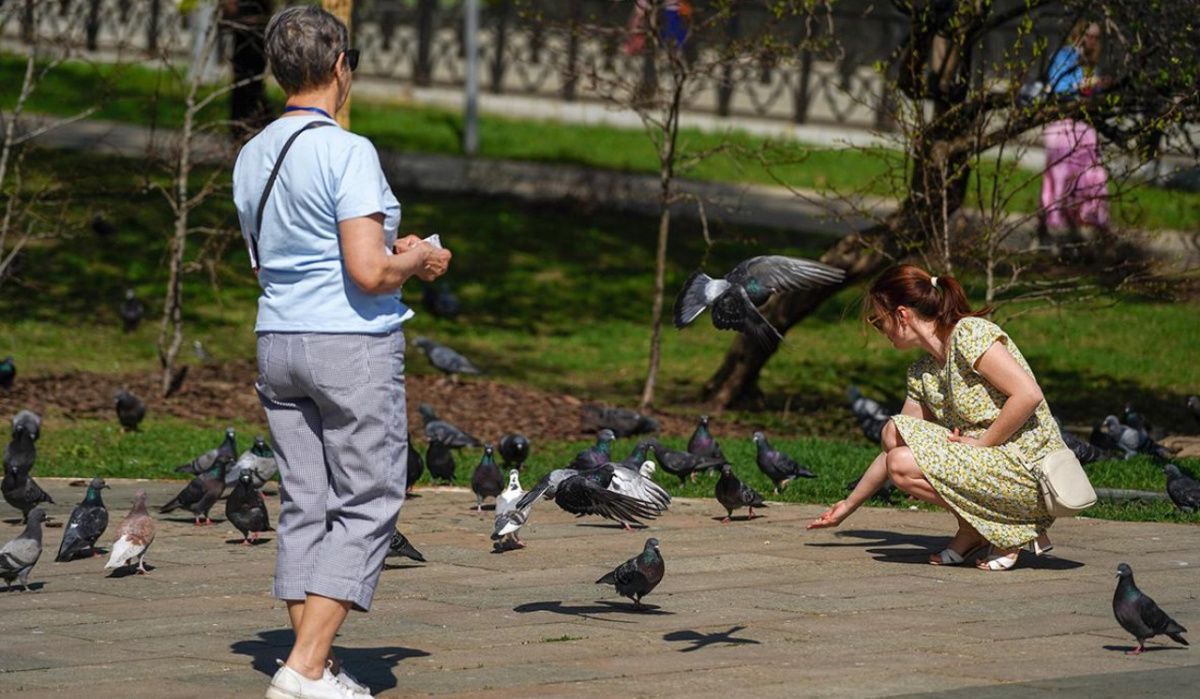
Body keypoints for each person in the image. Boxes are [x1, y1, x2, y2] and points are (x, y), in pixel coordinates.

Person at [232, 6, 451, 698]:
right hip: (349, 347)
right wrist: (415, 258)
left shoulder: (252, 153)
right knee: (370, 498)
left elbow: (271, 265)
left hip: (277, 341)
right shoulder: (349, 152)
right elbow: (366, 271)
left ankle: (316, 667)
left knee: (304, 500)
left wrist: (388, 255)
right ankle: (302, 667)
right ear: (339, 68)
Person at [808, 265, 1064, 572]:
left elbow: (1028, 394)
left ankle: (1010, 530)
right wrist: (848, 507)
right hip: (988, 466)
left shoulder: (970, 334)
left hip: (1029, 471)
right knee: (895, 441)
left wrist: (981, 445)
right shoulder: (923, 373)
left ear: (901, 316)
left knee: (898, 451)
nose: (881, 331)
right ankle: (975, 529)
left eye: (879, 321)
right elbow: (894, 447)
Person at [1040, 20, 1110, 234]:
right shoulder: (1064, 58)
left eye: (1096, 37)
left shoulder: (1092, 64)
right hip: (1062, 123)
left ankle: (1087, 217)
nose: (1092, 40)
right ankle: (1055, 219)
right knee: (1061, 173)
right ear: (1078, 35)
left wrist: (1098, 88)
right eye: (1088, 35)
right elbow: (1058, 89)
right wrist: (1083, 86)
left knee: (1092, 170)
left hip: (1083, 125)